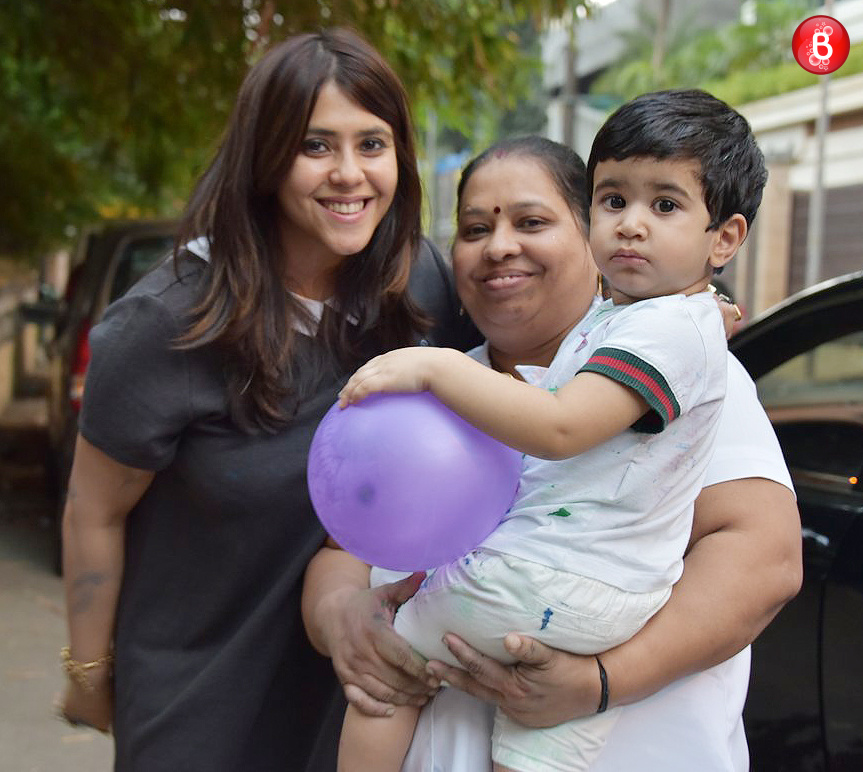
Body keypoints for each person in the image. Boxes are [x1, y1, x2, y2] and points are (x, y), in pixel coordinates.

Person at [302, 116, 800, 770]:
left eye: (530, 223)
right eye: (476, 229)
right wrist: (345, 620)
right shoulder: (423, 397)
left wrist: (601, 682)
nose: (498, 246)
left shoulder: (675, 369)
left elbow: (764, 563)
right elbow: (344, 549)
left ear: (585, 236)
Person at [58, 28, 479, 772]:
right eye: (315, 146)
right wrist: (89, 673)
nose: (349, 174)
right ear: (264, 157)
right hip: (198, 698)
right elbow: (95, 512)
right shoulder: (166, 325)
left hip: (357, 693)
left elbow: (537, 356)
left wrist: (675, 313)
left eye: (372, 145)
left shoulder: (420, 289)